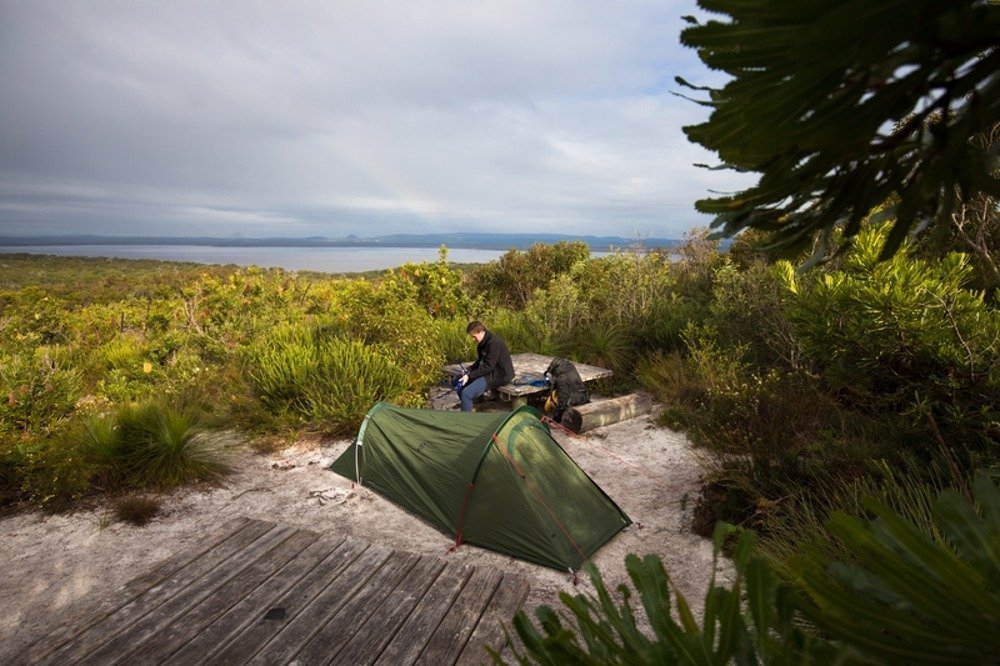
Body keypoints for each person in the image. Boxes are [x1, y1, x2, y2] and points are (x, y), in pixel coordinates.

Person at [456, 320, 514, 412]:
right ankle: (473, 404)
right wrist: (469, 370)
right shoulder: (482, 343)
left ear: (481, 332)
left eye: (474, 337)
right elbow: (480, 361)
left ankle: (465, 417)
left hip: (500, 374)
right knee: (456, 379)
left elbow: (489, 367)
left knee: (466, 393)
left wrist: (470, 376)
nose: (473, 339)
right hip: (489, 371)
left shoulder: (494, 343)